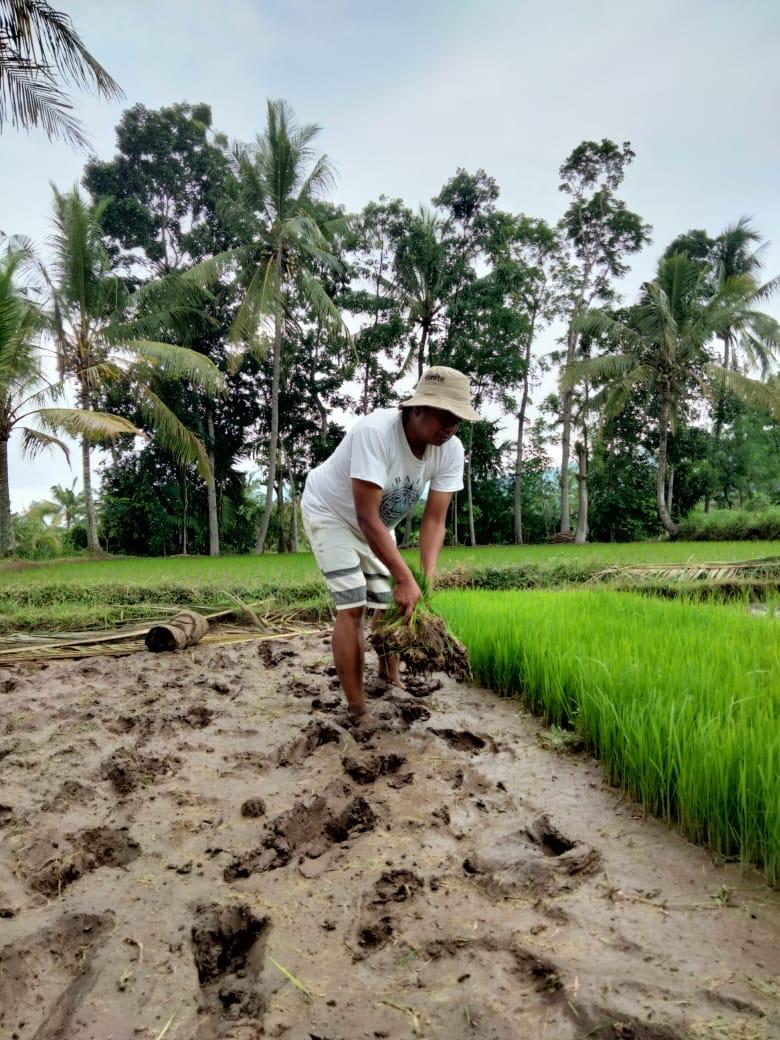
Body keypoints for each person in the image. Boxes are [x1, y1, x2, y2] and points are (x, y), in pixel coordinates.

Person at [301, 366, 480, 728]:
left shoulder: (449, 449)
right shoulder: (376, 433)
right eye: (444, 416)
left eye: (457, 420)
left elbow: (434, 520)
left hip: (378, 526)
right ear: (418, 409)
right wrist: (403, 576)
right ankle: (358, 709)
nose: (450, 427)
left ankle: (389, 678)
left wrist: (422, 580)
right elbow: (367, 517)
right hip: (332, 513)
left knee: (387, 600)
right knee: (352, 603)